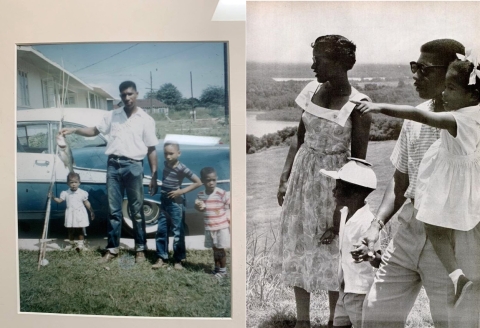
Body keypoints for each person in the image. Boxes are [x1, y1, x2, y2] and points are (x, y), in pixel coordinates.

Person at [350, 39, 474, 328]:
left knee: (452, 321)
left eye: (424, 69)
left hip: (453, 237)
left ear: (451, 72)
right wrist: (376, 226)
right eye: (413, 68)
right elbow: (400, 182)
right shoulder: (413, 119)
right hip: (409, 231)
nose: (415, 76)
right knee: (377, 315)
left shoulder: (469, 123)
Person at [275, 35, 372, 328]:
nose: (313, 64)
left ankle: (334, 320)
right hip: (302, 178)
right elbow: (298, 137)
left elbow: (358, 163)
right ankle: (302, 321)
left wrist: (340, 208)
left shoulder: (359, 105)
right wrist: (284, 177)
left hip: (334, 184)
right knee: (297, 245)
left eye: (320, 58)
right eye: (314, 57)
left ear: (341, 63)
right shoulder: (311, 89)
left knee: (332, 250)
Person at [61, 81, 159, 264]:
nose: (127, 98)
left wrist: (154, 175)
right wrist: (74, 130)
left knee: (136, 210)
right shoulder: (112, 115)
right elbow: (93, 130)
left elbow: (151, 149)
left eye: (130, 94)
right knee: (114, 211)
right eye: (123, 95)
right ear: (120, 96)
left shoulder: (146, 120)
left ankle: (140, 249)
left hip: (134, 166)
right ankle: (112, 249)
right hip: (113, 165)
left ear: (137, 94)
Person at [320, 158, 379, 328]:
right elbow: (345, 232)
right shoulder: (345, 212)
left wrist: (370, 255)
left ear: (354, 194)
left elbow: (380, 259)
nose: (333, 191)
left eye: (337, 188)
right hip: (344, 289)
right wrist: (334, 230)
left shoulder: (369, 222)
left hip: (360, 292)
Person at [151, 141, 202, 270]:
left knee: (177, 232)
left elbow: (198, 182)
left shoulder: (182, 168)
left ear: (179, 153)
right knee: (161, 230)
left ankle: (178, 260)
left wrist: (181, 191)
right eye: (165, 154)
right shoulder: (166, 164)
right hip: (164, 202)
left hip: (176, 204)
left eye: (171, 154)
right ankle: (161, 257)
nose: (168, 156)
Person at [194, 167, 231, 279]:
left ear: (216, 179)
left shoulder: (221, 193)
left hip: (221, 226)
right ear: (202, 181)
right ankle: (217, 269)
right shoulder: (201, 195)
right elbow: (200, 208)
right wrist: (198, 206)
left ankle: (223, 272)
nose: (211, 183)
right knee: (215, 249)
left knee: (220, 249)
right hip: (209, 227)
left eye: (213, 180)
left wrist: (230, 218)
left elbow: (230, 205)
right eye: (208, 180)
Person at [50, 172, 95, 252]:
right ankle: (71, 243)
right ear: (68, 183)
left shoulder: (82, 193)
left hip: (80, 213)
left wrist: (91, 211)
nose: (74, 184)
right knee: (70, 229)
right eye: (71, 182)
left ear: (79, 183)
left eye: (75, 182)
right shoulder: (65, 193)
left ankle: (80, 244)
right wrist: (53, 197)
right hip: (70, 214)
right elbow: (60, 201)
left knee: (80, 229)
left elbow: (86, 202)